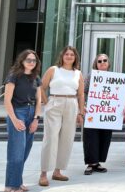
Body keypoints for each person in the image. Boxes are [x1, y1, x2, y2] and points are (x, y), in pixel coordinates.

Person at [39, 46, 85, 187]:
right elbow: (41, 87)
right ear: (62, 56)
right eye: (67, 54)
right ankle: (43, 173)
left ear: (75, 57)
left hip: (71, 104)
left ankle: (57, 171)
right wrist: (46, 103)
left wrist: (81, 112)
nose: (69, 56)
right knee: (50, 138)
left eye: (72, 54)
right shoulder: (53, 70)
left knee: (67, 138)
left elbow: (81, 94)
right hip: (55, 102)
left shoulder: (78, 73)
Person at [3, 50, 42, 192]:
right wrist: (14, 119)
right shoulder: (14, 76)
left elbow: (39, 101)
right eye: (28, 60)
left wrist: (36, 119)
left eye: (34, 60)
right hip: (17, 112)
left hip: (31, 114)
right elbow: (7, 101)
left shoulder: (36, 78)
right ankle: (12, 186)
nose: (31, 62)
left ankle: (15, 183)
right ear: (22, 60)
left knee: (25, 151)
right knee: (16, 151)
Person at [82, 54, 114, 175]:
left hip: (108, 113)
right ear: (96, 63)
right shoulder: (91, 76)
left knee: (105, 137)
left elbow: (119, 95)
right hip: (93, 111)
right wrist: (84, 105)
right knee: (91, 137)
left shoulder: (114, 77)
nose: (102, 62)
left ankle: (97, 162)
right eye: (99, 61)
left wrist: (124, 105)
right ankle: (91, 163)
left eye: (105, 60)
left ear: (108, 63)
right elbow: (83, 92)